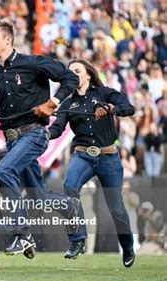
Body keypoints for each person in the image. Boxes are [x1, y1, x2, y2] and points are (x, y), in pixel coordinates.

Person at [0, 20, 80, 259]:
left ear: (8, 40)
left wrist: (53, 102)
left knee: (4, 171)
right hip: (12, 140)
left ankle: (22, 234)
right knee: (38, 196)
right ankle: (69, 206)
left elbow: (70, 78)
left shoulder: (33, 63)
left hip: (34, 133)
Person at [49, 58, 136, 268]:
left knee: (116, 208)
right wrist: (43, 134)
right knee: (70, 187)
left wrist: (110, 110)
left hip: (109, 157)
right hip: (82, 156)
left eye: (77, 71)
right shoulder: (68, 104)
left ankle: (128, 247)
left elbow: (129, 107)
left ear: (88, 74)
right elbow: (57, 129)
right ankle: (78, 239)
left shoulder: (105, 93)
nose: (74, 75)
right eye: (70, 73)